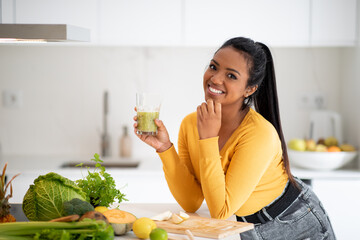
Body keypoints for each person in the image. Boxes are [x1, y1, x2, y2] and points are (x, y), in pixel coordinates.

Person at [133, 37, 335, 240]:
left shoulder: (259, 134)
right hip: (245, 225)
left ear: (250, 89)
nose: (215, 79)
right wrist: (165, 148)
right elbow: (191, 201)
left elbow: (220, 211)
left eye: (231, 75)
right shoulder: (191, 123)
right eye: (213, 66)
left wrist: (208, 139)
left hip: (296, 222)